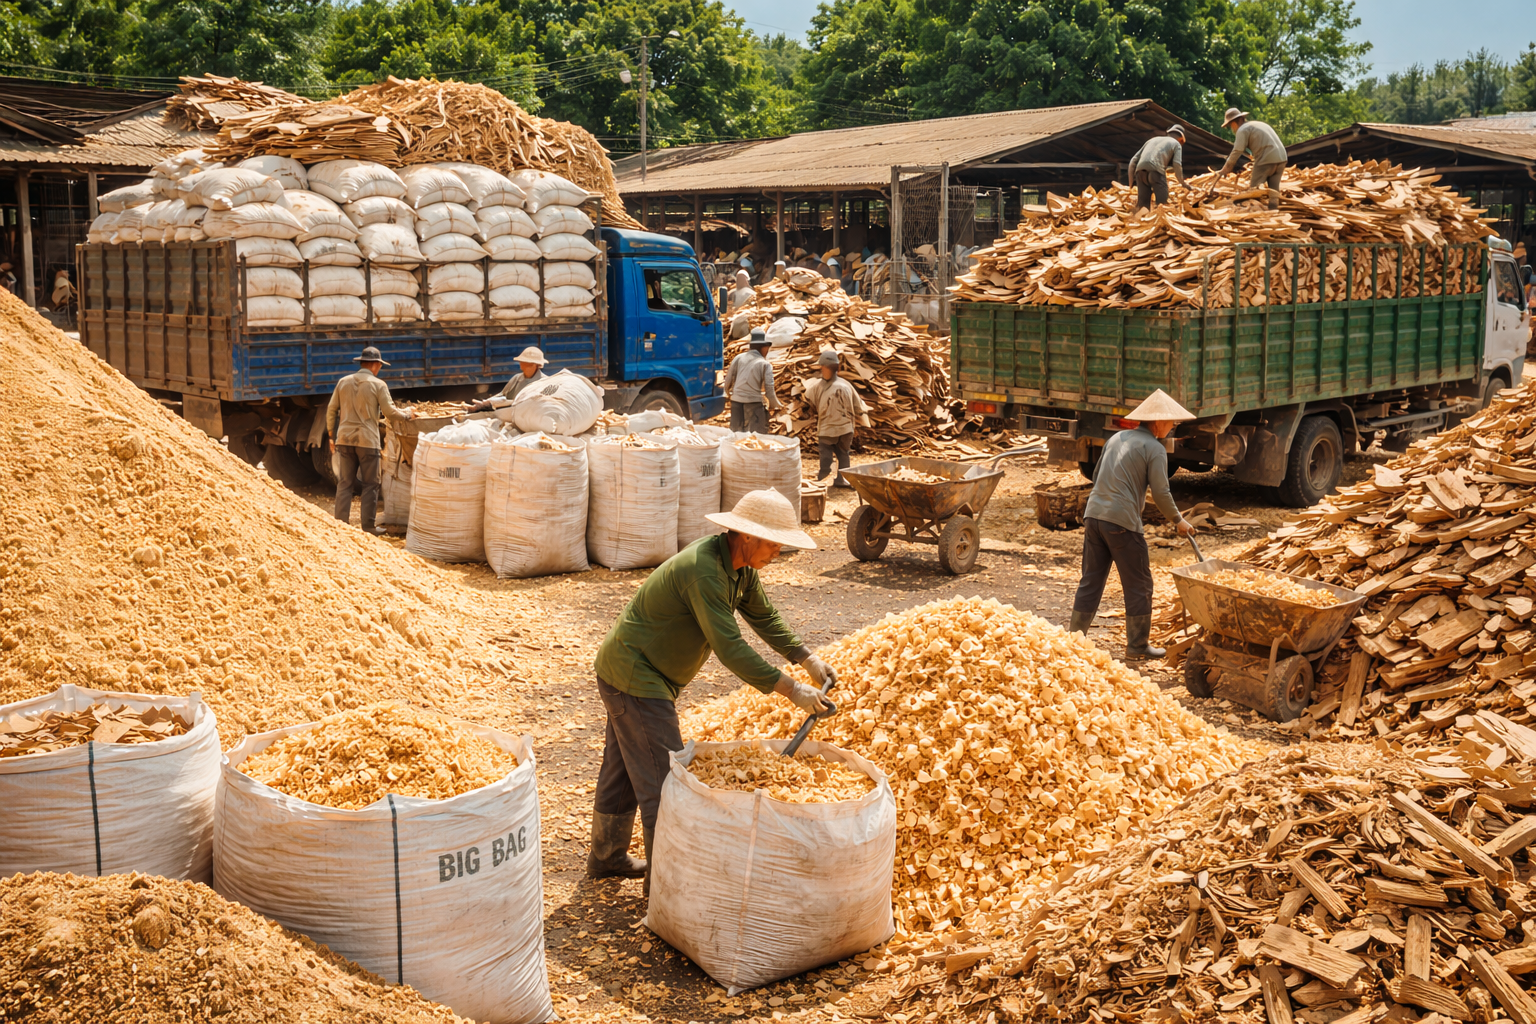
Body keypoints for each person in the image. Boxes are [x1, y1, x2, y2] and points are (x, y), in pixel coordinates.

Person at [587, 488, 834, 890]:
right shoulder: (704, 571)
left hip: (640, 675)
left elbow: (765, 617)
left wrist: (806, 657)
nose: (777, 553)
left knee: (623, 771)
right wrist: (793, 690)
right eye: (773, 544)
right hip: (635, 676)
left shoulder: (740, 569)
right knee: (664, 783)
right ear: (747, 536)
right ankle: (665, 889)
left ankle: (606, 856)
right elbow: (730, 648)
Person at [1069, 389, 1198, 659]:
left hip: (1094, 516)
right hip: (1122, 522)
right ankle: (1137, 646)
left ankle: (1073, 641)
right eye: (1171, 422)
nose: (1173, 427)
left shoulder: (1115, 438)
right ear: (1157, 422)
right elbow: (1161, 493)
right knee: (1139, 584)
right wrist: (1179, 520)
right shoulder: (1155, 449)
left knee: (1090, 580)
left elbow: (1096, 474)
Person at [326, 346, 415, 535]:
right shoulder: (378, 385)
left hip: (345, 439)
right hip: (367, 442)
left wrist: (331, 436)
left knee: (345, 482)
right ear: (375, 365)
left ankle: (340, 524)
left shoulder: (343, 382)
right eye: (380, 365)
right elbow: (390, 413)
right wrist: (408, 415)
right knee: (371, 484)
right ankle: (368, 527)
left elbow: (331, 409)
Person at [802, 349, 869, 488]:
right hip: (845, 428)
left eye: (823, 368)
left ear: (825, 368)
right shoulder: (846, 385)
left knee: (827, 454)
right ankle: (840, 478)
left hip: (828, 430)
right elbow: (859, 407)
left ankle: (823, 478)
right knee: (843, 454)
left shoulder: (817, 386)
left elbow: (808, 402)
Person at [1217, 108, 1287, 211]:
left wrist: (1225, 169)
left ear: (1235, 122)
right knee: (1274, 191)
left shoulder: (1242, 130)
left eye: (1231, 125)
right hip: (1282, 157)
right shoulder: (1258, 124)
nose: (1232, 129)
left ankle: (1254, 217)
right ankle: (1274, 211)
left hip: (1266, 158)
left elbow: (1237, 151)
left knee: (1254, 190)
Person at [723, 328, 780, 432]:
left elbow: (728, 379)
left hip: (736, 402)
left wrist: (727, 394)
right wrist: (775, 405)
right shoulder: (765, 364)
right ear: (763, 347)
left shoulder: (738, 358)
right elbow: (769, 389)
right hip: (753, 403)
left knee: (735, 433)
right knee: (755, 435)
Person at [467, 346, 548, 412]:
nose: (521, 365)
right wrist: (485, 403)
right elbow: (502, 395)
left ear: (535, 365)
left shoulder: (545, 382)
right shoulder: (517, 378)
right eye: (522, 362)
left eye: (525, 363)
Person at [1128, 126, 1187, 210]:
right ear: (1181, 139)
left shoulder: (1151, 140)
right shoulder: (1176, 144)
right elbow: (1177, 164)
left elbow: (1133, 161)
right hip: (1156, 172)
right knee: (1162, 206)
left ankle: (1137, 220)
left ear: (1168, 133)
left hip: (1140, 172)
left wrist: (1130, 185)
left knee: (1142, 207)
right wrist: (1182, 183)